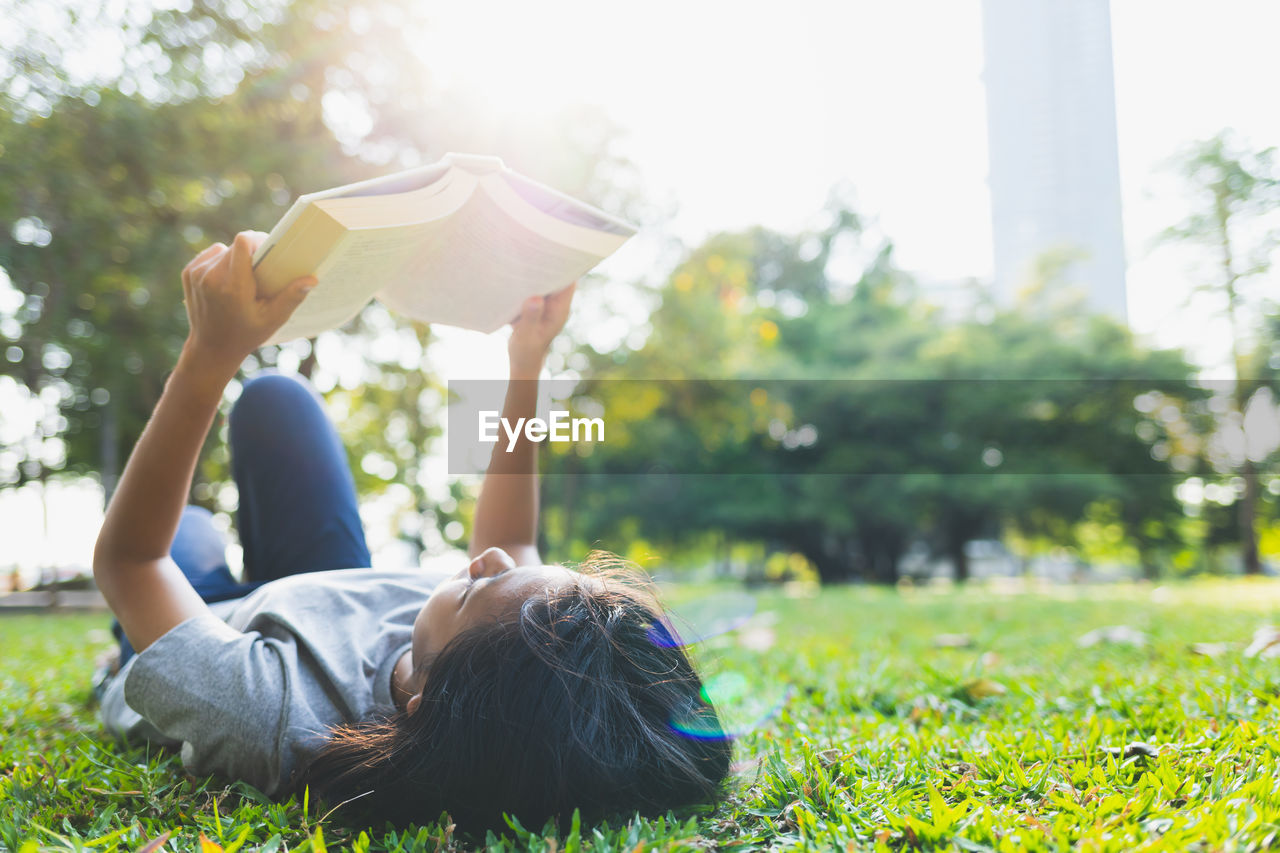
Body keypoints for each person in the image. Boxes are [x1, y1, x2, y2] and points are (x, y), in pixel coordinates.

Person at [95, 231, 732, 833]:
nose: (486, 559)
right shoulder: (488, 642)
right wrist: (529, 353)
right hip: (318, 592)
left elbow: (133, 561)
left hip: (211, 627)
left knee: (189, 535)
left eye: (475, 590)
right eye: (519, 570)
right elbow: (510, 538)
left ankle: (151, 618)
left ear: (426, 701)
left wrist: (210, 353)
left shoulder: (271, 715)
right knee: (276, 401)